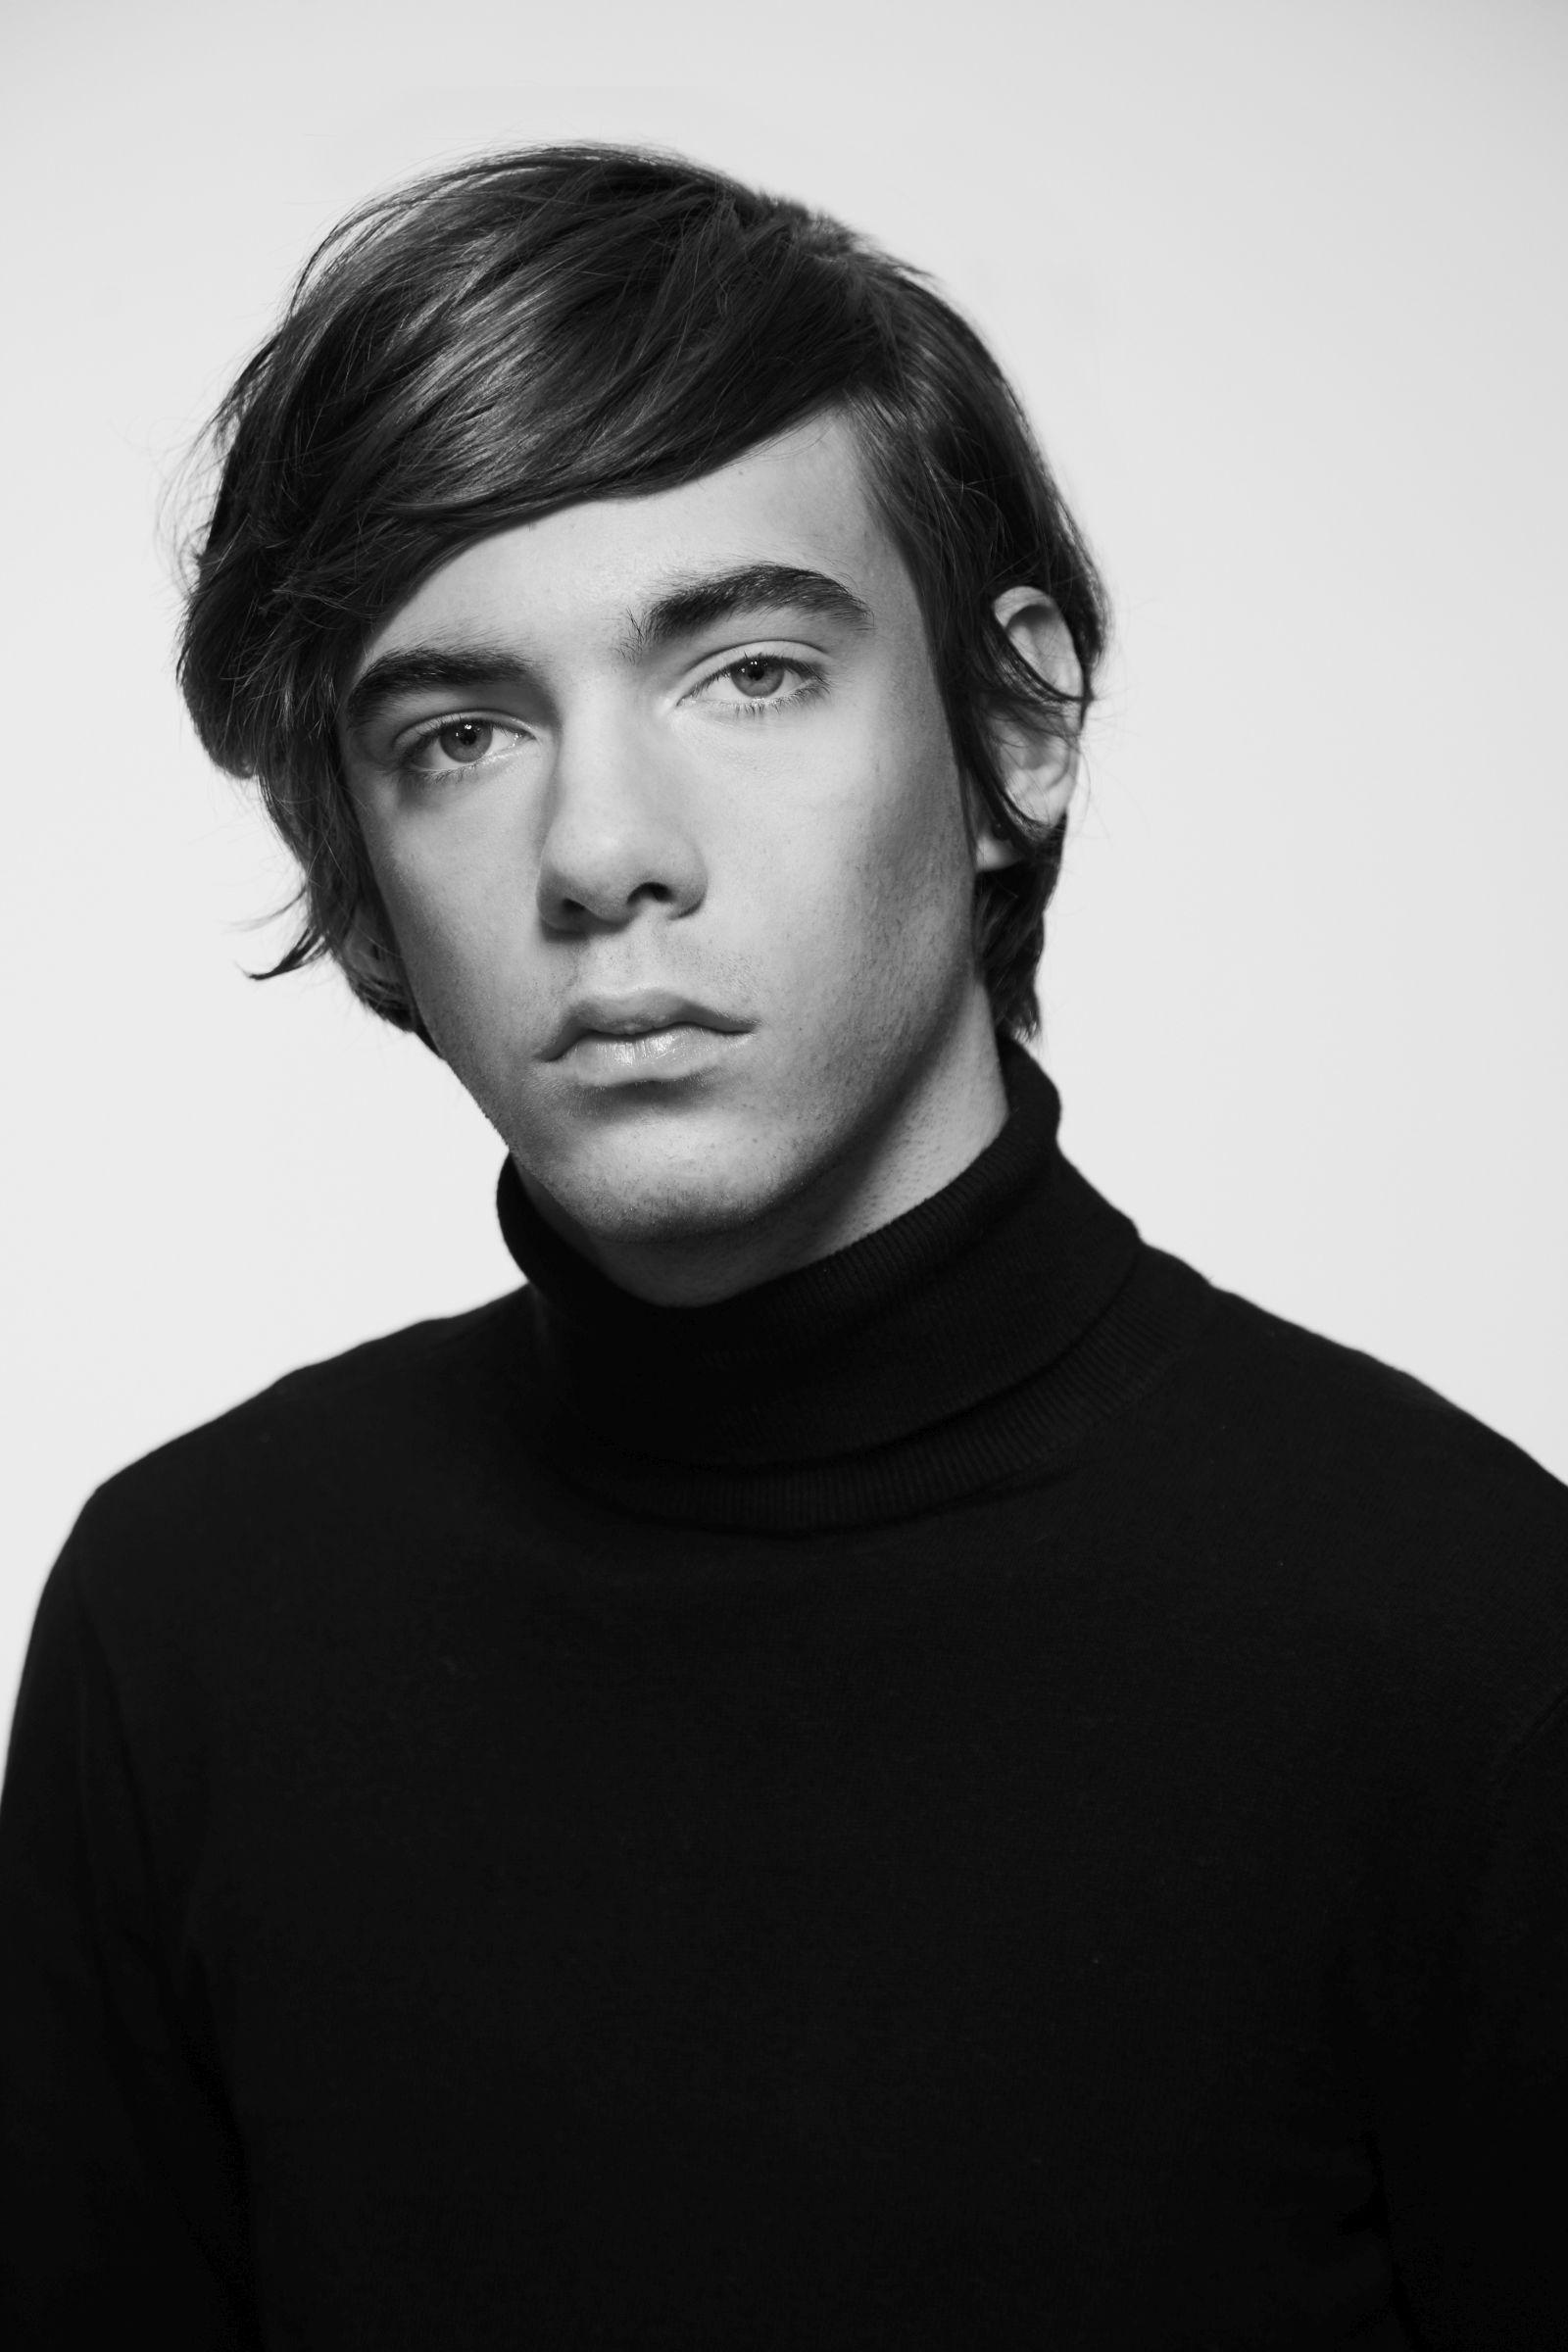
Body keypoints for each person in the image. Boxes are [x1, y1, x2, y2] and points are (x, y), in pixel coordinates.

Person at [1, 143, 1563, 2351]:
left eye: (743, 670)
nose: (604, 851)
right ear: (356, 855)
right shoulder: (187, 1625)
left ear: (1011, 725)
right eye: (459, 734)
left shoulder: (1459, 1641)